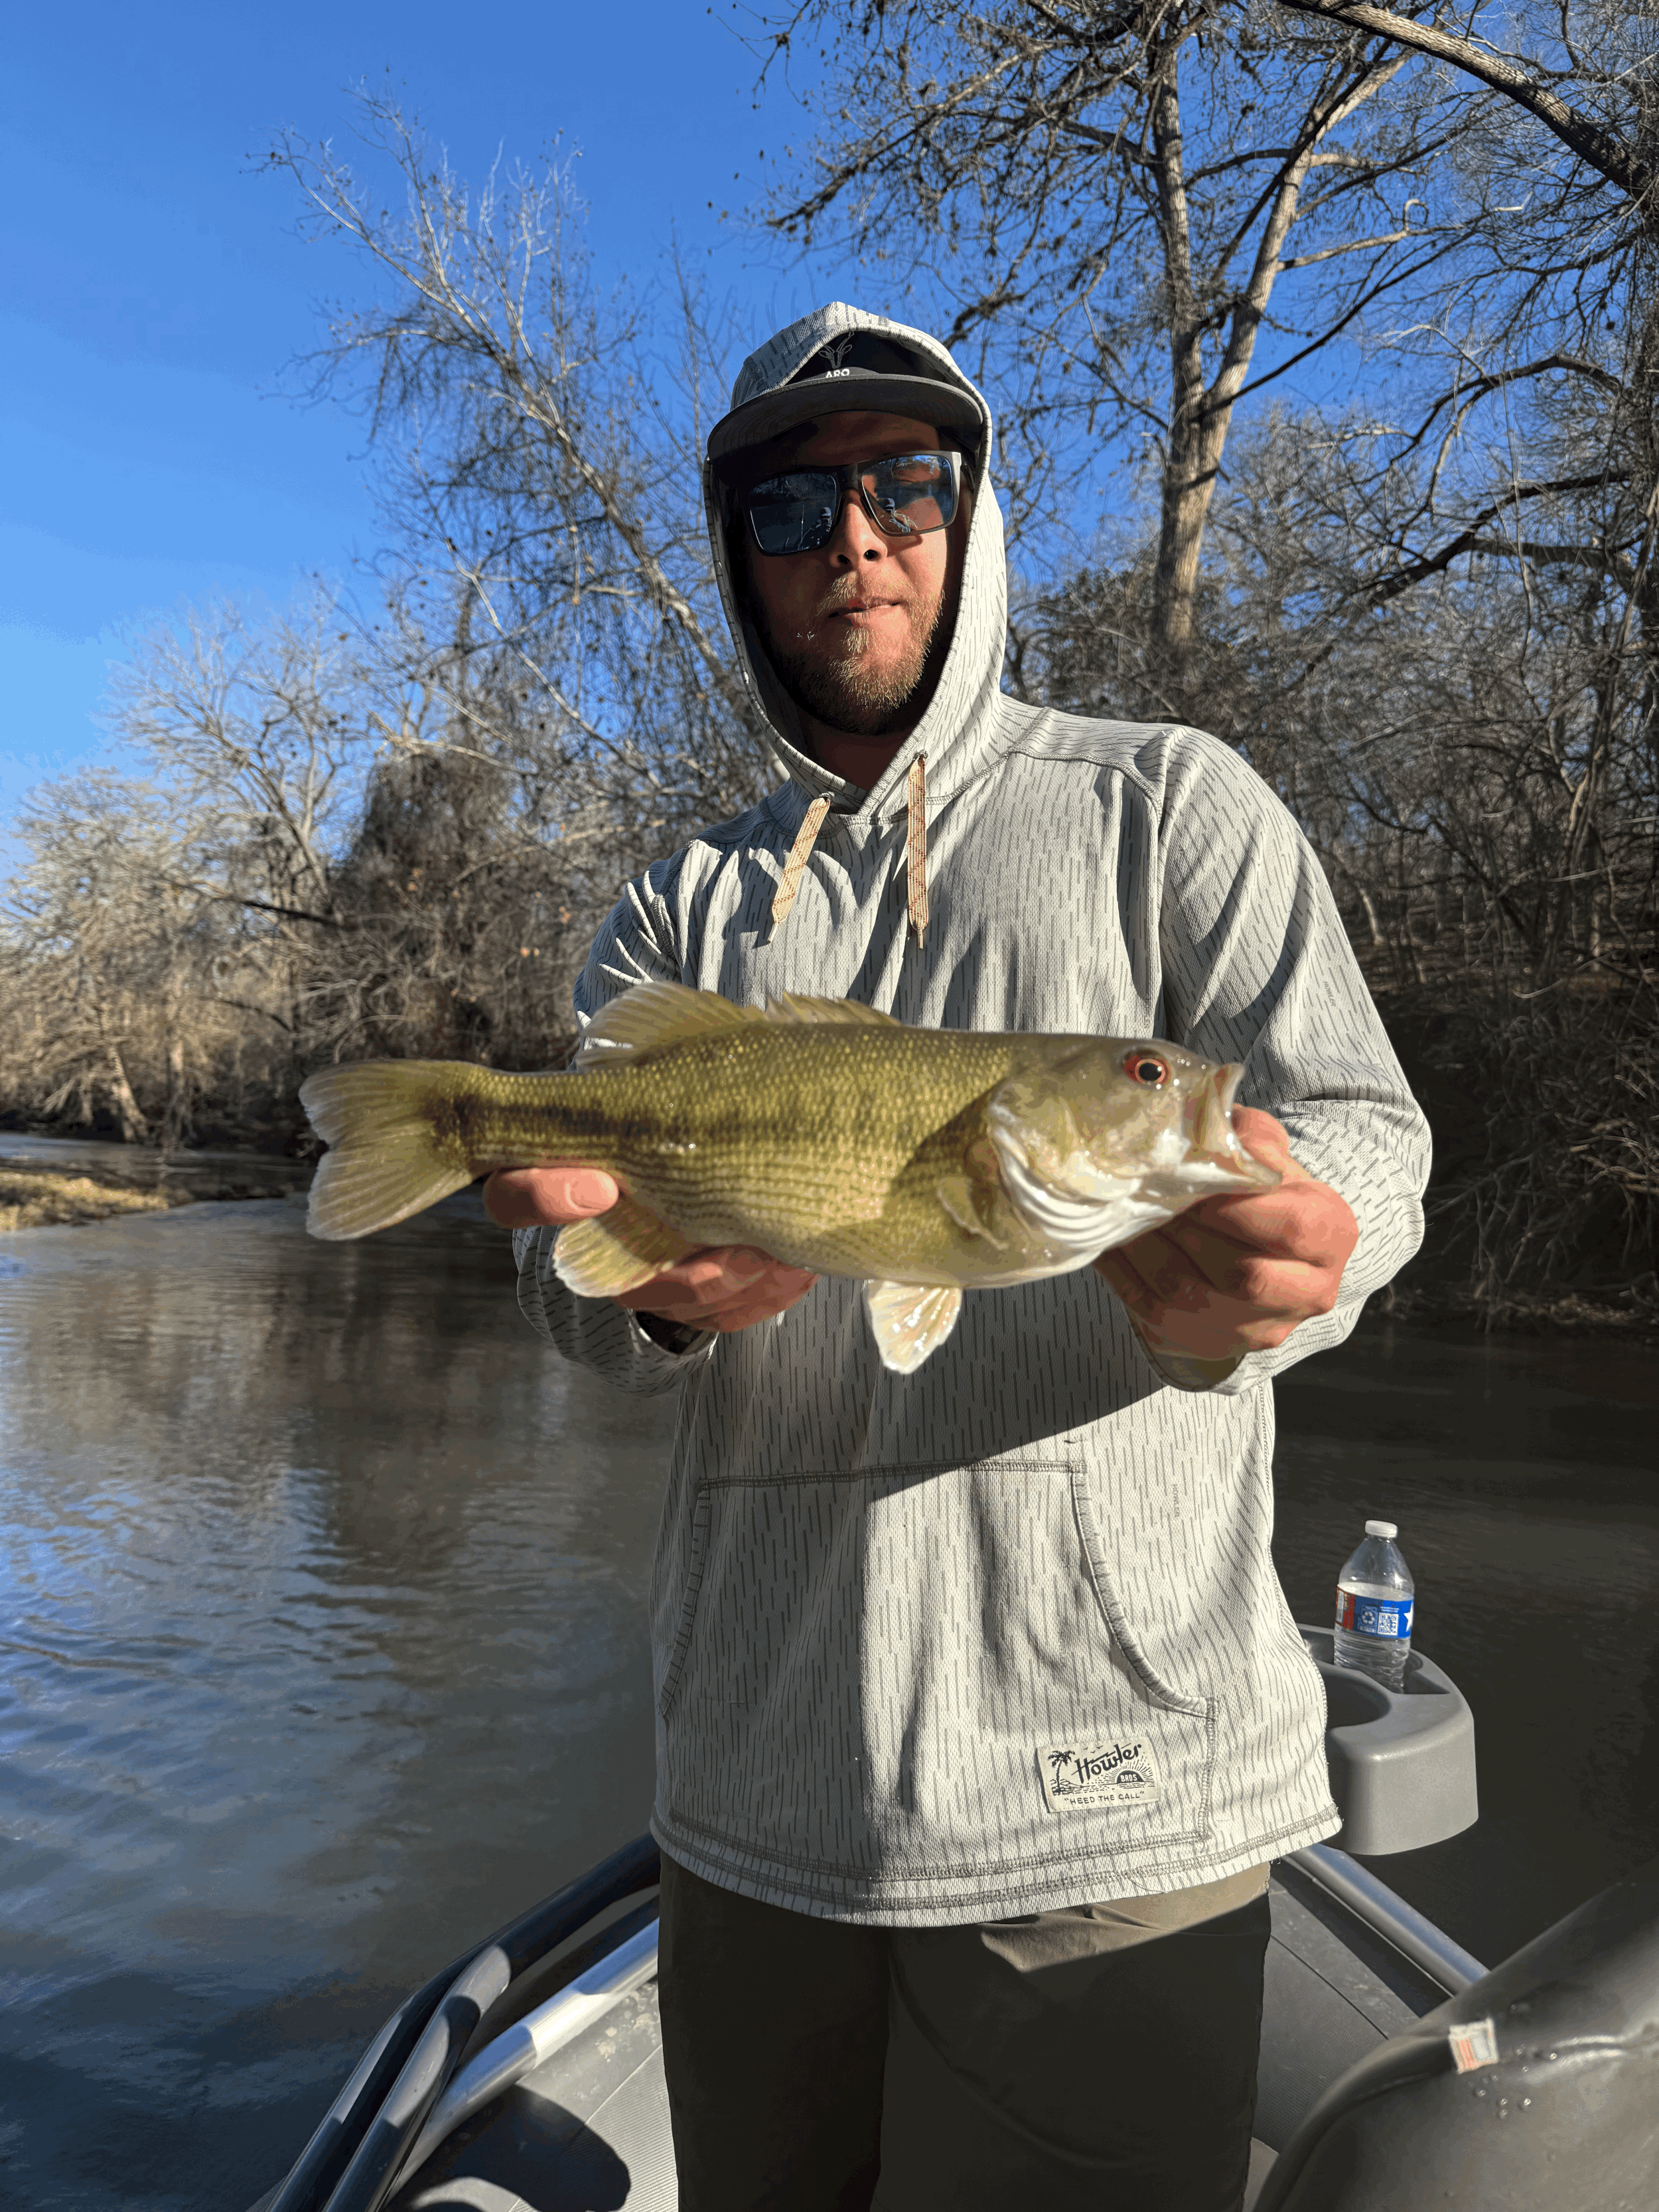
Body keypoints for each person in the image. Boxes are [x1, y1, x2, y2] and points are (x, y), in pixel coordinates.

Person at [484, 305, 1429, 2211]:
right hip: (755, 1815)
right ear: (739, 558)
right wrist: (642, 1301)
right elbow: (564, 1294)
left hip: (1113, 1816)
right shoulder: (680, 907)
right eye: (793, 505)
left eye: (905, 483)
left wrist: (1300, 1255)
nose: (855, 538)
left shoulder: (1169, 803)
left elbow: (1362, 1129)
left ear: (972, 513)